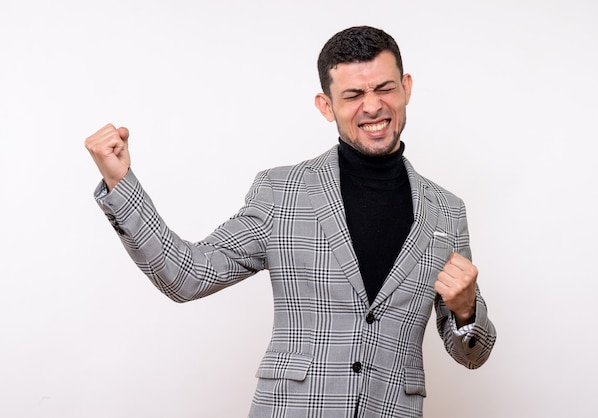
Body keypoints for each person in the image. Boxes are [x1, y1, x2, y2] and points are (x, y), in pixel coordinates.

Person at [85, 26, 496, 418]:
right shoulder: (282, 192)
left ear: (405, 88)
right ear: (326, 105)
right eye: (353, 94)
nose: (373, 106)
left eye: (384, 88)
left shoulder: (447, 210)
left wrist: (465, 311)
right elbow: (186, 275)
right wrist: (120, 182)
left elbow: (472, 355)